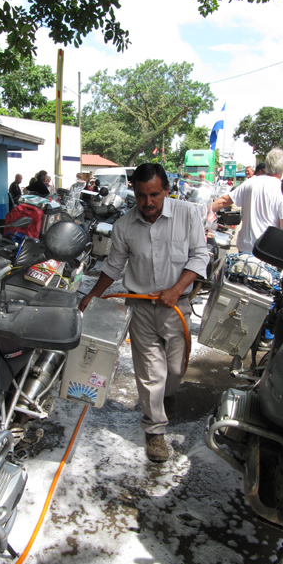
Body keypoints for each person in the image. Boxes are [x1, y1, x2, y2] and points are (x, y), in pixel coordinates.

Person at [78, 163, 209, 463]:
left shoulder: (188, 215)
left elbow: (201, 255)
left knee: (174, 370)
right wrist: (92, 296)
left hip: (177, 307)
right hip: (140, 307)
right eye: (140, 196)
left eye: (154, 195)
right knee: (151, 373)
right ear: (133, 193)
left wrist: (176, 289)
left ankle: (167, 395)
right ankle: (155, 431)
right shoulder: (124, 225)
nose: (148, 203)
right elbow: (113, 267)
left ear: (167, 190)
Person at [211, 148, 283, 253]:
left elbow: (223, 201)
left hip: (245, 251)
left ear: (267, 165)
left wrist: (201, 212)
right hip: (267, 254)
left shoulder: (251, 183)